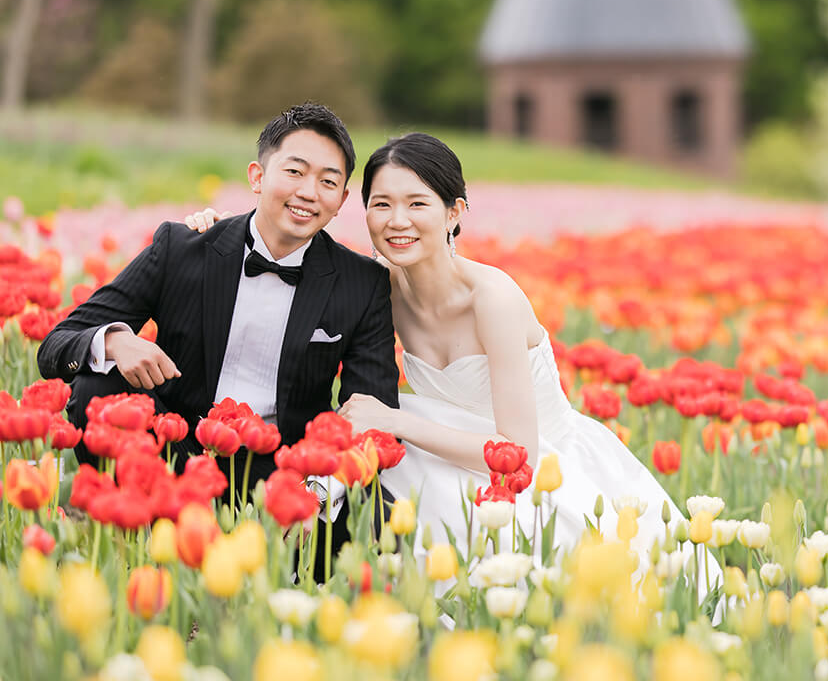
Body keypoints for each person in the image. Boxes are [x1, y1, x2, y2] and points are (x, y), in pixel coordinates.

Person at [189, 133, 719, 592]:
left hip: (541, 470)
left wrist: (396, 421)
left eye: (417, 204)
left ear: (454, 213)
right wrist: (217, 234)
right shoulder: (379, 286)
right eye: (381, 205)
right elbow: (294, 258)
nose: (398, 222)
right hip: (444, 450)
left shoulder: (493, 299)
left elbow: (520, 455)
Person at [38, 103, 401, 504]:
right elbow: (58, 343)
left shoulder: (362, 283)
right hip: (174, 453)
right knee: (97, 384)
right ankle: (139, 524)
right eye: (294, 172)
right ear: (257, 177)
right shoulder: (182, 249)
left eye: (328, 182)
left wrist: (314, 496)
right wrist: (114, 342)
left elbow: (375, 414)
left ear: (342, 198)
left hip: (282, 475)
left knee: (375, 508)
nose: (308, 193)